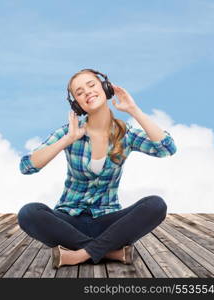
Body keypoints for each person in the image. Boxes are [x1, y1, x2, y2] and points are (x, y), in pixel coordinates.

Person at [18, 69, 177, 269]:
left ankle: (78, 255)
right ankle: (109, 252)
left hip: (108, 221)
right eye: (79, 92)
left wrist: (134, 110)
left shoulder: (125, 134)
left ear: (105, 88)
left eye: (91, 85)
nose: (87, 92)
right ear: (76, 103)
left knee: (156, 205)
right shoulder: (70, 131)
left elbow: (167, 148)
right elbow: (26, 166)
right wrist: (67, 140)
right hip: (69, 221)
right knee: (28, 213)